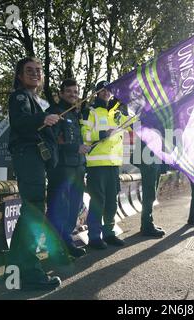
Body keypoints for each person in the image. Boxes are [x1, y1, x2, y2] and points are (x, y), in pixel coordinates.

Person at [7, 57, 63, 290]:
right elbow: (20, 123)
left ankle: (16, 270)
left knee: (32, 211)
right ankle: (29, 272)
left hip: (33, 159)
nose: (35, 74)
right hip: (27, 157)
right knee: (35, 211)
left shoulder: (35, 99)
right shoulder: (20, 96)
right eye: (29, 70)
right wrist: (43, 118)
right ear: (19, 76)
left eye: (39, 70)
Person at [80, 80, 129, 250]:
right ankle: (94, 237)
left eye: (108, 90)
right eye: (102, 90)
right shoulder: (90, 111)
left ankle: (109, 234)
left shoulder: (117, 114)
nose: (105, 93)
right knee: (97, 202)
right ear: (97, 92)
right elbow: (84, 135)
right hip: (96, 165)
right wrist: (102, 133)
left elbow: (133, 123)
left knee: (111, 202)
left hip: (113, 165)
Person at [46, 79, 89, 258]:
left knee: (73, 208)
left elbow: (76, 140)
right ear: (61, 93)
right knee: (59, 209)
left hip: (77, 167)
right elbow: (52, 141)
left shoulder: (75, 113)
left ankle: (67, 242)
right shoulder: (55, 112)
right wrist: (75, 148)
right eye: (69, 91)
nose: (73, 94)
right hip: (61, 168)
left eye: (75, 91)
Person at [133, 140, 166, 237]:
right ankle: (147, 226)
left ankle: (147, 223)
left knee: (151, 193)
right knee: (149, 194)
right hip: (148, 157)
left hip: (154, 157)